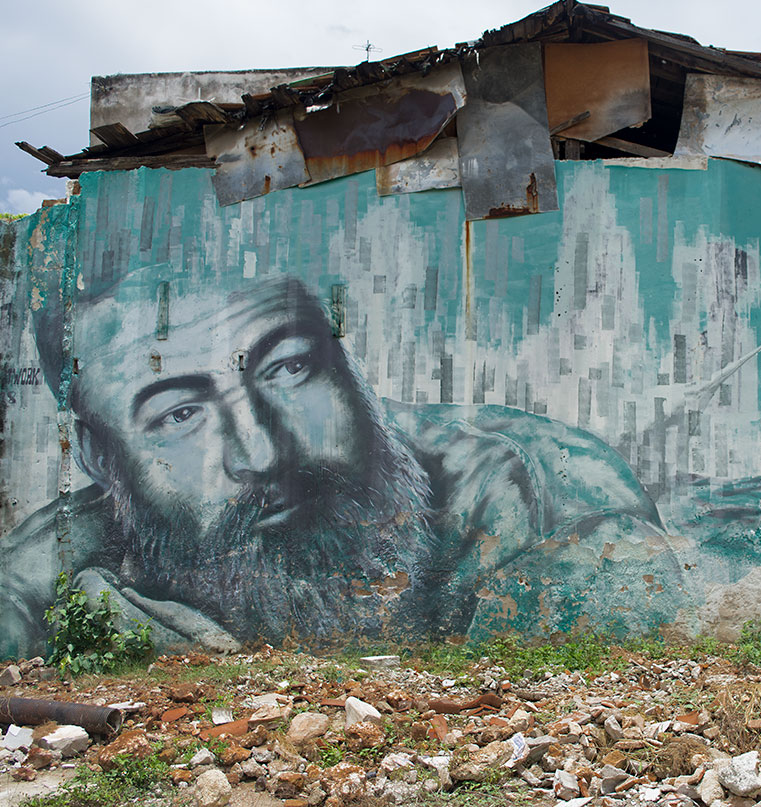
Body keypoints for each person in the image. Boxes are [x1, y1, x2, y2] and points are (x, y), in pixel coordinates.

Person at [0, 274, 684, 659]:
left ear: (349, 364)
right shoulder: (56, 567)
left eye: (290, 368)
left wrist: (189, 670)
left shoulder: (542, 489)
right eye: (180, 415)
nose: (264, 452)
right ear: (99, 458)